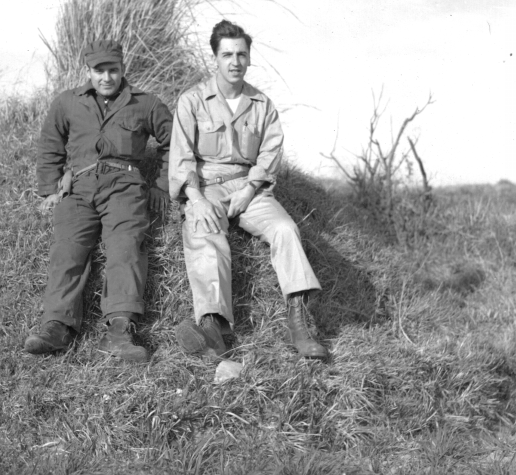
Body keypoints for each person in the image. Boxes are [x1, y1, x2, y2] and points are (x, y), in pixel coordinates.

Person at [168, 20, 327, 361]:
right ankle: (212, 327)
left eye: (241, 54)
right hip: (207, 185)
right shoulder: (192, 101)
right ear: (215, 58)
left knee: (286, 229)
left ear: (249, 58)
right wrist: (195, 199)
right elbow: (181, 156)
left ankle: (299, 323)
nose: (235, 61)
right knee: (205, 233)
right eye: (227, 54)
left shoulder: (262, 105)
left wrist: (251, 187)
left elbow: (270, 153)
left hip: (250, 189)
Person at [25, 40, 172, 362]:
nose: (106, 78)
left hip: (124, 187)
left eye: (113, 70)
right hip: (78, 187)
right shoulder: (66, 103)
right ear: (87, 71)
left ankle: (120, 329)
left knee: (126, 246)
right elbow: (50, 146)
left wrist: (160, 186)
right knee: (67, 250)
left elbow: (173, 143)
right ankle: (57, 326)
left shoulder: (146, 104)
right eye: (99, 71)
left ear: (123, 69)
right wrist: (50, 189)